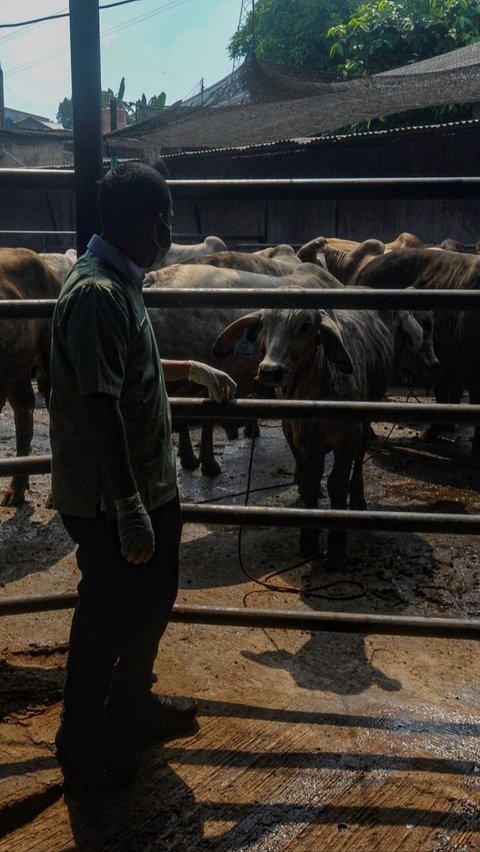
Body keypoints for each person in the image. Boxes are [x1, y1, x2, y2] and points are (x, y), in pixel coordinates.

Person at [50, 161, 236, 789]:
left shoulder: (118, 282)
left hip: (145, 488)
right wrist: (128, 505)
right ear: (145, 222)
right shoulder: (97, 294)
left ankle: (130, 705)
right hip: (113, 499)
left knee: (150, 601)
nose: (168, 231)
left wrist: (189, 370)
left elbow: (132, 366)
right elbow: (100, 405)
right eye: (164, 219)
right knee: (105, 617)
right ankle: (81, 741)